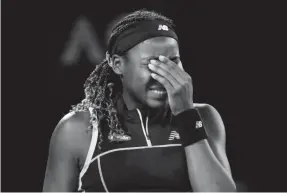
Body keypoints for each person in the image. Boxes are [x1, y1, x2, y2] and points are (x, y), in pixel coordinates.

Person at [43, 9, 236, 192]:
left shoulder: (203, 116)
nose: (163, 74)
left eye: (173, 61)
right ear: (117, 64)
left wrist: (186, 115)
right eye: (151, 63)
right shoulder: (77, 128)